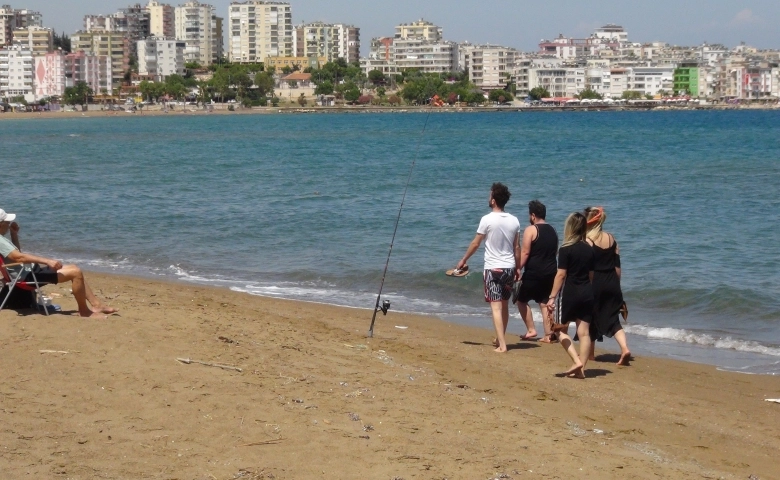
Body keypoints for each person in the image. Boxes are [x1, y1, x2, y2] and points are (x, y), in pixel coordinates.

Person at [0, 209, 118, 318]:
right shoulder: (0, 240)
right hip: (27, 277)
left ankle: (97, 305)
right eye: (7, 222)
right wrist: (47, 261)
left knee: (74, 268)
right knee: (75, 273)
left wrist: (14, 235)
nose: (9, 224)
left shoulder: (2, 239)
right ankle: (84, 311)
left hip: (28, 272)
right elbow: (18, 257)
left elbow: (16, 256)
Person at [455, 183, 521, 353]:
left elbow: (476, 243)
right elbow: (517, 248)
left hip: (493, 268)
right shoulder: (514, 220)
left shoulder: (487, 219)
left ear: (493, 200)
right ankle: (500, 339)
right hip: (509, 267)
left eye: (489, 195)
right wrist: (518, 268)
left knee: (496, 306)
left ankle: (503, 345)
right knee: (504, 305)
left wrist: (464, 259)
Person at [546, 212, 594, 379]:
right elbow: (591, 275)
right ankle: (581, 371)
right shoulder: (589, 249)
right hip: (588, 292)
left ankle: (576, 361)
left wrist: (552, 297)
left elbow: (561, 275)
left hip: (570, 292)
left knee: (558, 330)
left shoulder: (565, 249)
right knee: (584, 333)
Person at [584, 206, 631, 366]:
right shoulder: (612, 239)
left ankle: (590, 354)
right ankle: (624, 348)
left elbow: (587, 269)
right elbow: (617, 268)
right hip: (611, 282)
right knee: (613, 319)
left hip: (596, 283)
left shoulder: (587, 241)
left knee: (590, 317)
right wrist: (617, 286)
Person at [514, 200, 559, 343]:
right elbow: (555, 251)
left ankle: (531, 329)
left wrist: (518, 268)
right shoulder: (553, 229)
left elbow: (525, 252)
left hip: (534, 272)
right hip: (551, 271)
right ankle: (549, 334)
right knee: (545, 302)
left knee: (521, 300)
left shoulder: (531, 230)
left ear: (533, 215)